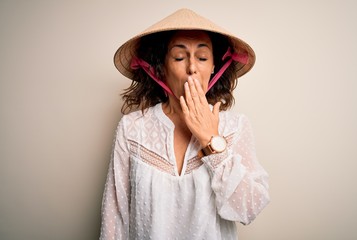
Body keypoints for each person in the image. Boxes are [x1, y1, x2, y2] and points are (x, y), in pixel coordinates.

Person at [100, 8, 269, 240]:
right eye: (179, 57)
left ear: (213, 68)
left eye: (202, 58)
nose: (192, 67)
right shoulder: (131, 129)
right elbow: (115, 219)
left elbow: (249, 209)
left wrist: (211, 140)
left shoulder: (236, 126)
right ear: (161, 68)